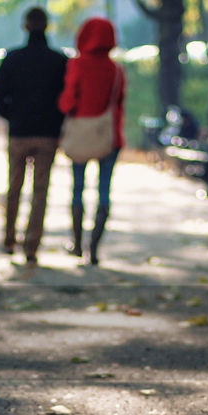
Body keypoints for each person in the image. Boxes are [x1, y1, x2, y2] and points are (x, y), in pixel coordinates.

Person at [0, 7, 68, 266]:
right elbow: (66, 98)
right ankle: (31, 245)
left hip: (19, 132)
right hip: (47, 134)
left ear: (25, 26)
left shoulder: (13, 58)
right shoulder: (59, 60)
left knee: (14, 187)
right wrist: (57, 122)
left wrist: (11, 116)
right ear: (47, 26)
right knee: (40, 191)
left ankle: (9, 238)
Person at [58, 17, 126, 266]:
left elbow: (67, 101)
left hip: (80, 137)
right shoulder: (116, 69)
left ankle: (77, 244)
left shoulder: (77, 65)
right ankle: (94, 249)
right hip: (109, 138)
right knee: (104, 192)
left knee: (78, 189)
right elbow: (119, 106)